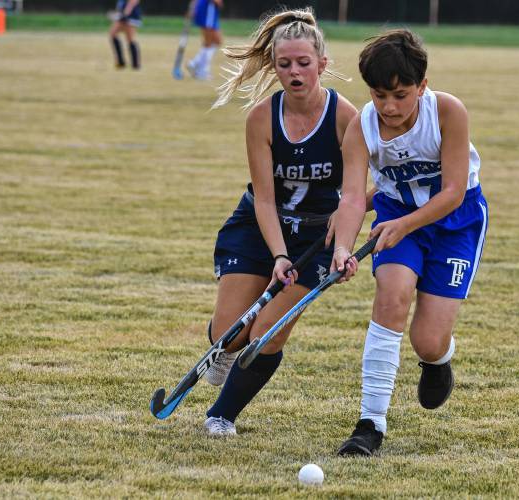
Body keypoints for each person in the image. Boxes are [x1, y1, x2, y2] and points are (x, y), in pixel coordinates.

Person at [330, 29, 488, 456]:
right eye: (379, 95)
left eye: (400, 95)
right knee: (392, 296)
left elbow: (453, 190)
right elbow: (350, 196)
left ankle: (438, 360)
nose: (389, 107)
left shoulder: (448, 112)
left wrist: (405, 225)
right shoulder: (362, 127)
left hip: (457, 222)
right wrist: (343, 248)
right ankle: (370, 425)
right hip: (396, 213)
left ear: (422, 85)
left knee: (428, 341)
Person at [201, 7, 357, 436]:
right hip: (259, 226)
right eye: (284, 64)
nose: (294, 72)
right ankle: (227, 349)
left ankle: (221, 416)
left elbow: (363, 191)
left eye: (304, 63)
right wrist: (279, 255)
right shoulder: (261, 119)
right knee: (230, 335)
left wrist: (342, 239)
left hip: (316, 236)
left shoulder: (346, 118)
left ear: (322, 64)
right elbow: (265, 199)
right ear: (274, 66)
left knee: (266, 332)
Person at [186, 0, 223, 80]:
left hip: (210, 11)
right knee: (209, 43)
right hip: (208, 11)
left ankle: (194, 64)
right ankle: (202, 71)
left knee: (216, 42)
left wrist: (193, 8)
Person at [108, 0, 142, 70]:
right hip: (123, 16)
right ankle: (121, 61)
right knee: (112, 34)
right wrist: (118, 14)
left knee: (130, 39)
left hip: (131, 17)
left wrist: (125, 14)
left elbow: (133, 1)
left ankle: (135, 64)